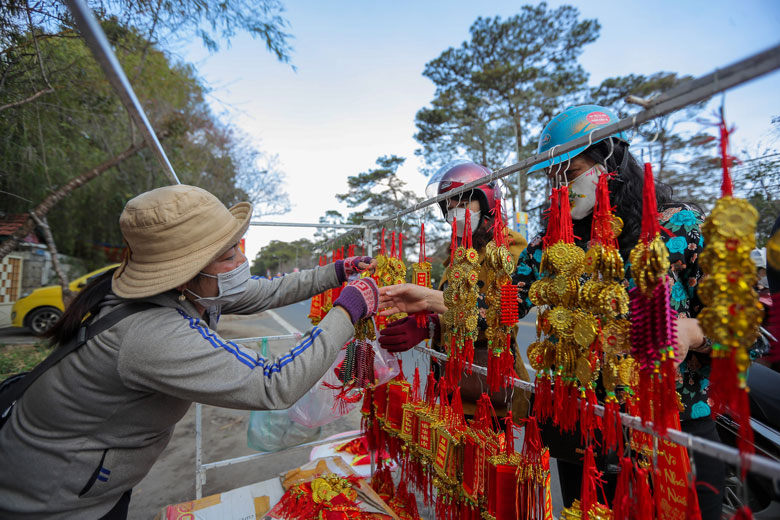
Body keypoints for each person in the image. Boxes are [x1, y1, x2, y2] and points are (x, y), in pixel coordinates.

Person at [0, 185, 378, 519]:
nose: (242, 262)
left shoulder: (192, 291)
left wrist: (336, 273)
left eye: (238, 249)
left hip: (91, 480)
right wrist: (347, 310)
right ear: (185, 272)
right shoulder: (149, 332)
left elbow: (267, 292)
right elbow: (273, 384)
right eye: (229, 256)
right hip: (54, 498)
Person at [512, 104, 723, 519]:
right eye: (552, 179)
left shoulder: (678, 228)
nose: (560, 189)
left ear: (609, 160)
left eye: (569, 175)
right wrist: (427, 299)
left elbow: (745, 328)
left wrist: (694, 332)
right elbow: (496, 308)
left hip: (673, 429)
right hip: (586, 428)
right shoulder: (551, 248)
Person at [378, 160, 531, 420]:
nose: (455, 213)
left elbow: (500, 313)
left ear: (487, 203)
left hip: (488, 386)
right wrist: (431, 325)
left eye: (463, 203)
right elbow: (452, 306)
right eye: (449, 206)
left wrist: (431, 310)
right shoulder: (458, 256)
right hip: (452, 381)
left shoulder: (509, 247)